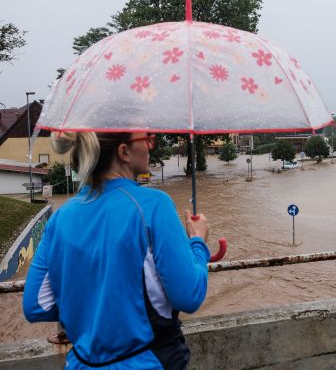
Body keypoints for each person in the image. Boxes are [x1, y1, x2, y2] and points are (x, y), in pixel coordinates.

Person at [23, 132, 211, 369]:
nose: (151, 145)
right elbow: (189, 295)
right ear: (124, 152)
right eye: (147, 138)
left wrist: (93, 311)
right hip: (148, 361)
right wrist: (198, 243)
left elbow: (36, 306)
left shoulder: (60, 216)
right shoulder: (154, 205)